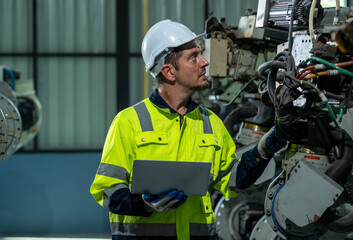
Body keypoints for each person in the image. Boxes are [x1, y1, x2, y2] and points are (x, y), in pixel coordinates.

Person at [90, 19, 286, 240]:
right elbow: (107, 191)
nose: (204, 62)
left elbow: (234, 180)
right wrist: (144, 204)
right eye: (193, 57)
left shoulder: (210, 123)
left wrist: (265, 148)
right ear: (169, 71)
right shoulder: (128, 122)